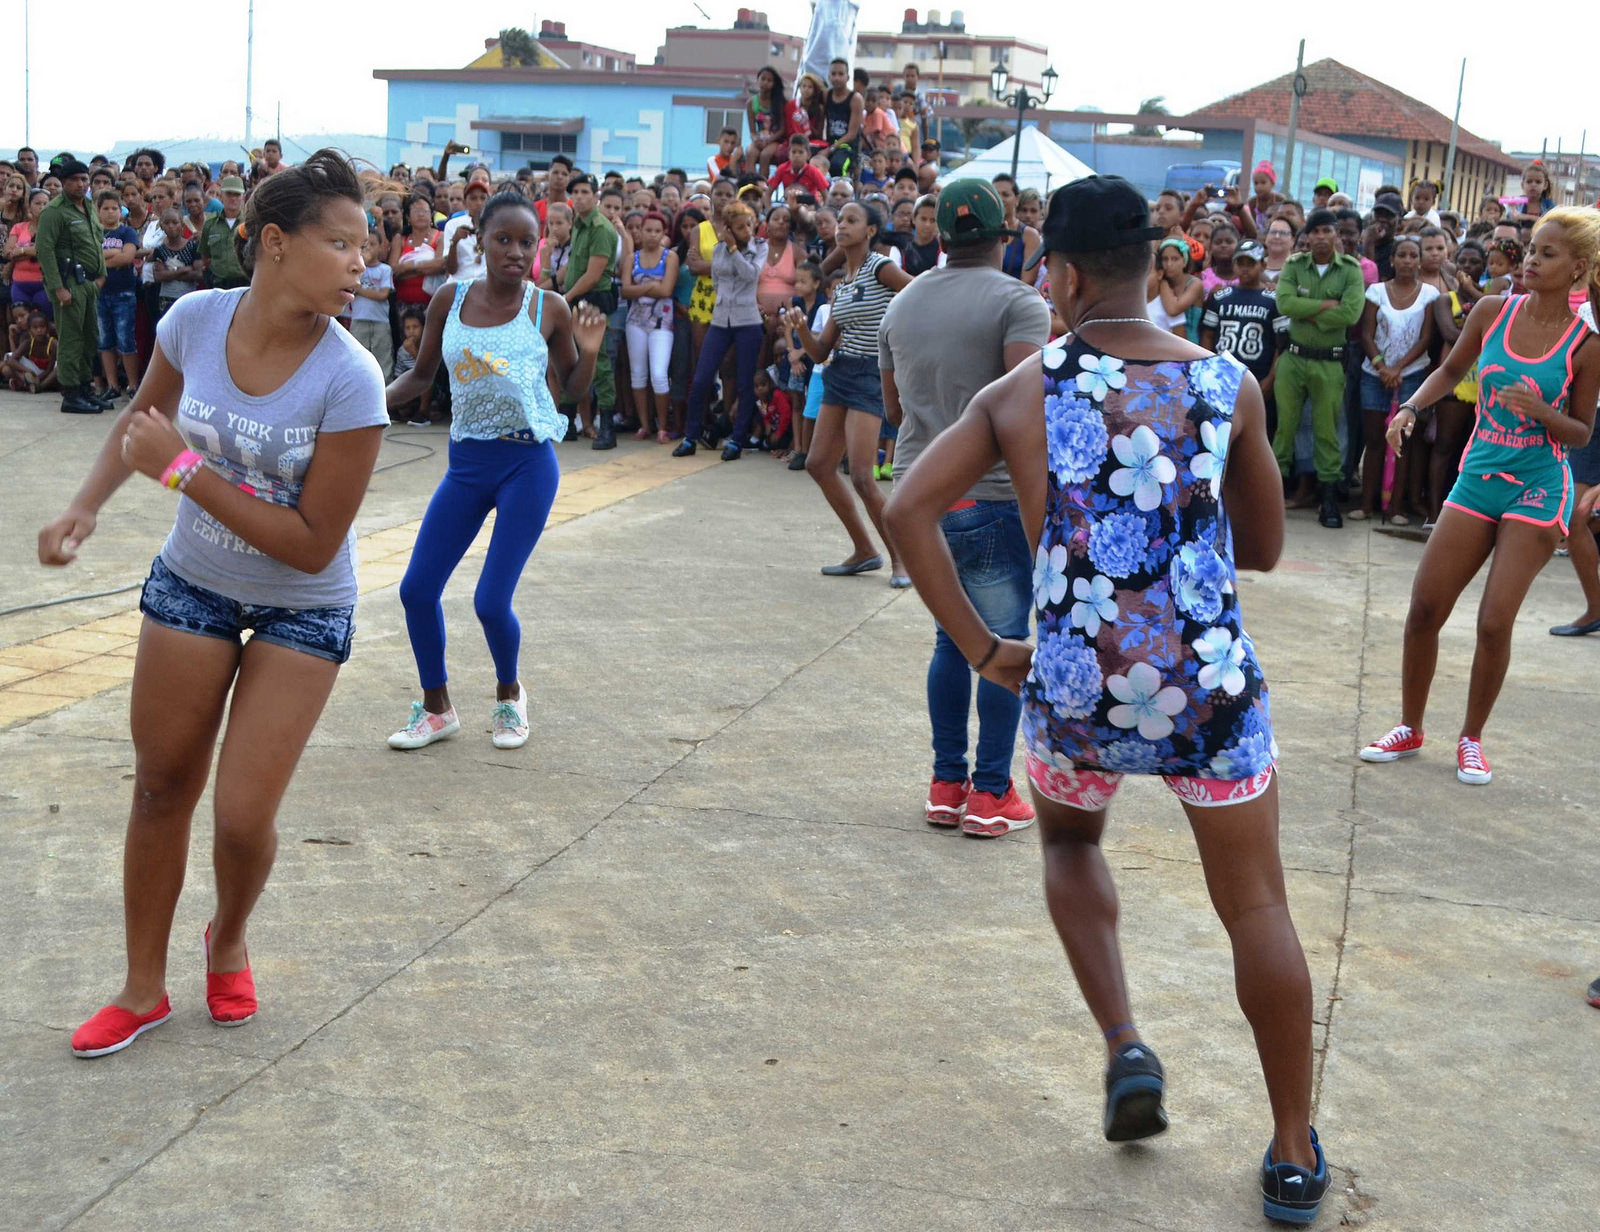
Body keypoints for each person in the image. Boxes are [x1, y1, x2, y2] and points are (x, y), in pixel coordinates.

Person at [883, 174, 1328, 1228]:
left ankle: (1126, 1043)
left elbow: (906, 509)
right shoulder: (1227, 383)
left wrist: (983, 646)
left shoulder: (1022, 390)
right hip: (1204, 686)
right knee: (1257, 907)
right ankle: (1291, 1147)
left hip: (1077, 680)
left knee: (1072, 844)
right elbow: (1265, 547)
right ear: (1148, 266)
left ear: (1069, 276)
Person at [38, 149, 391, 1059]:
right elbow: (142, 423)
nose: (361, 263)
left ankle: (227, 937)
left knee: (240, 815)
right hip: (193, 583)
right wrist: (84, 506)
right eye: (341, 244)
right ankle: (141, 989)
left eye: (364, 246)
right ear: (275, 243)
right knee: (161, 786)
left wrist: (187, 473)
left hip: (302, 606)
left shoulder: (351, 378)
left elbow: (312, 542)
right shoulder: (194, 320)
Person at [1360, 207, 1599, 785]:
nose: (1531, 261)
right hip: (1478, 477)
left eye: (1546, 254)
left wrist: (1542, 412)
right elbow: (1448, 372)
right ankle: (1410, 727)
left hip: (1539, 487)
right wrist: (1411, 407)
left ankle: (1471, 738)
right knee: (1424, 609)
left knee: (1494, 623)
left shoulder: (1587, 343)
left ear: (1578, 268)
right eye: (1531, 250)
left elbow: (1581, 432)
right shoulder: (1493, 310)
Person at [385, 191, 606, 753]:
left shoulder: (548, 307)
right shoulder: (448, 298)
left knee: (489, 601)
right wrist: (367, 402)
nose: (515, 251)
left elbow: (570, 392)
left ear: (538, 247)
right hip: (466, 466)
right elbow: (420, 377)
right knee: (416, 590)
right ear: (478, 240)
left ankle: (510, 695)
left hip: (527, 465)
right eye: (503, 239)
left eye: (527, 242)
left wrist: (589, 352)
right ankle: (437, 709)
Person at [879, 179, 1050, 835]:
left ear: (942, 237)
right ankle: (991, 793)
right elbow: (1024, 414)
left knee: (952, 641)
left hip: (919, 494)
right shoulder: (1018, 302)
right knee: (1004, 643)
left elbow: (893, 409)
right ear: (1002, 237)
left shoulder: (904, 302)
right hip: (992, 493)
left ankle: (946, 785)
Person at [785, 201, 913, 581]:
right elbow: (820, 352)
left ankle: (902, 559)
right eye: (840, 219)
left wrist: (903, 348)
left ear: (870, 231)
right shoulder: (842, 286)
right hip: (839, 372)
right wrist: (801, 329)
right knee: (818, 465)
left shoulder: (880, 267)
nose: (841, 226)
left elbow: (918, 292)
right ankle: (864, 550)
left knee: (861, 475)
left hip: (871, 374)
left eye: (851, 221)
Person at [1273, 207, 1367, 528]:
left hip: (1329, 361)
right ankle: (1270, 495)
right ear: (1308, 236)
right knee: (1284, 429)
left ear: (1336, 235)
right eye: (1316, 232)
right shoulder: (1294, 265)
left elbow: (1351, 314)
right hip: (1293, 358)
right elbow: (1285, 303)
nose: (1322, 237)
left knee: (1327, 431)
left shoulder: (1350, 270)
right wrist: (1327, 306)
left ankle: (1328, 500)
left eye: (1328, 231)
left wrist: (1307, 312)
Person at [1352, 235, 1438, 523]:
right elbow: (1366, 334)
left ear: (1420, 261)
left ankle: (1395, 508)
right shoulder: (1376, 291)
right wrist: (1382, 367)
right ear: (1392, 260)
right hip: (1374, 373)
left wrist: (1397, 368)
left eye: (1413, 256)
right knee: (1374, 439)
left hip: (1411, 374)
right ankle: (1367, 504)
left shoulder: (1429, 294)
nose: (1407, 261)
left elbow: (1426, 338)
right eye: (1402, 255)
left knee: (1403, 442)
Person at [676, 201, 766, 460]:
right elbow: (716, 280)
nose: (747, 230)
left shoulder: (760, 247)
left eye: (749, 225)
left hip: (747, 320)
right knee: (701, 378)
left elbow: (750, 275)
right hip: (720, 319)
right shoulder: (718, 249)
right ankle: (691, 436)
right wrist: (727, 248)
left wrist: (734, 249)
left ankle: (737, 440)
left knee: (745, 382)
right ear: (728, 229)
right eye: (740, 227)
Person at [36, 159, 110, 414]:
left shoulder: (88, 206)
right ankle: (71, 394)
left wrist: (102, 277)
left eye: (84, 179)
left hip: (89, 283)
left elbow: (96, 243)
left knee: (90, 338)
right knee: (71, 340)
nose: (81, 184)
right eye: (75, 180)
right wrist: (58, 288)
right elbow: (45, 251)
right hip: (69, 284)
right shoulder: (54, 211)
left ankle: (85, 389)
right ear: (64, 182)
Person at [1200, 240, 1284, 437]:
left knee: (1258, 433)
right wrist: (1210, 371)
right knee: (1221, 432)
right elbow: (1208, 335)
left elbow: (1281, 345)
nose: (1245, 268)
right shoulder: (1220, 297)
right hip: (1223, 377)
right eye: (1240, 263)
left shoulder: (1273, 300)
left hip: (1259, 376)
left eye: (1251, 263)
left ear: (1263, 265)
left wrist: (1270, 379)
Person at [562, 175, 621, 450]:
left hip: (592, 300)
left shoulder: (600, 228)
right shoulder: (579, 224)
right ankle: (567, 421)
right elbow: (574, 265)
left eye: (585, 191)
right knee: (571, 357)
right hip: (576, 298)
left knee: (600, 362)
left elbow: (593, 274)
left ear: (596, 196)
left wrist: (566, 297)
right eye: (575, 191)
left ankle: (607, 426)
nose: (579, 196)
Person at [622, 209, 678, 441]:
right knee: (638, 374)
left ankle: (662, 426)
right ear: (641, 232)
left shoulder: (670, 257)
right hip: (635, 321)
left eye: (657, 231)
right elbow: (625, 290)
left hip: (662, 322)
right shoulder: (631, 258)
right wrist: (650, 286)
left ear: (664, 233)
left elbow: (666, 290)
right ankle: (644, 425)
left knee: (659, 374)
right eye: (648, 230)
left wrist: (639, 288)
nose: (652, 235)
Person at [94, 191, 142, 400]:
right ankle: (112, 386)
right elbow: (90, 257)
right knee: (105, 341)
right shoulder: (94, 233)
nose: (110, 212)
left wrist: (102, 262)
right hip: (100, 293)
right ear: (98, 210)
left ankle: (133, 385)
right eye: (106, 208)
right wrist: (115, 253)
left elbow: (128, 257)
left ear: (120, 211)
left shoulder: (127, 232)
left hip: (124, 292)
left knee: (125, 340)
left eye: (114, 208)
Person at [348, 230, 395, 378]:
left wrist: (359, 290)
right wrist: (363, 264)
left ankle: (386, 389)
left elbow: (383, 294)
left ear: (381, 247)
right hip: (359, 319)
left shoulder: (385, 269)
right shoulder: (356, 269)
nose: (368, 248)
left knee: (382, 357)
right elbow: (351, 287)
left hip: (380, 321)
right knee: (357, 357)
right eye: (365, 245)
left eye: (373, 244)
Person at [1147, 237, 1203, 337]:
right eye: (1165, 259)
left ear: (1184, 261)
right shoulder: (1162, 281)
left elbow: (1173, 310)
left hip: (1191, 340)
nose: (1169, 264)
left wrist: (1163, 283)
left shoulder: (1195, 284)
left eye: (1175, 259)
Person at [820, 59, 864, 178]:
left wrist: (830, 150)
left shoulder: (855, 99)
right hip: (829, 144)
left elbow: (852, 134)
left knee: (837, 166)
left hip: (847, 147)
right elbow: (821, 123)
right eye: (833, 74)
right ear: (829, 77)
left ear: (848, 77)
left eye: (840, 74)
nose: (837, 78)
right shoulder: (826, 95)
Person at [746, 65, 788, 178]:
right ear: (758, 80)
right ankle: (749, 182)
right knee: (750, 152)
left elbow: (782, 129)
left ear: (774, 84)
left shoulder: (779, 102)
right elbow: (752, 130)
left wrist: (768, 140)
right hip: (759, 139)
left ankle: (763, 183)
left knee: (765, 155)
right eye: (763, 79)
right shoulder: (751, 103)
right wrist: (756, 139)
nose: (765, 83)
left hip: (775, 140)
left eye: (769, 80)